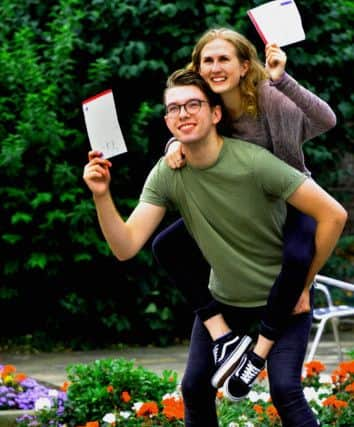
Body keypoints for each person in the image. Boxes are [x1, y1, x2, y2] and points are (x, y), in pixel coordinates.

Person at [83, 68, 347, 427]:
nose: (184, 113)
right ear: (166, 120)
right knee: (194, 388)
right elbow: (126, 246)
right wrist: (102, 196)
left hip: (282, 300)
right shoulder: (168, 173)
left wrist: (305, 281)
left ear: (216, 113)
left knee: (285, 390)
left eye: (193, 104)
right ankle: (225, 338)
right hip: (227, 301)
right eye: (174, 108)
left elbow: (333, 213)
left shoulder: (254, 163)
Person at [151, 27, 338, 395]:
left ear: (244, 66)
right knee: (166, 245)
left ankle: (259, 353)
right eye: (208, 60)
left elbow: (326, 120)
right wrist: (175, 142)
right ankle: (223, 337)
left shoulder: (269, 97)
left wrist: (283, 80)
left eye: (224, 59)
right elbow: (193, 126)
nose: (215, 67)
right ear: (198, 67)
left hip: (289, 195)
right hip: (241, 203)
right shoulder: (204, 102)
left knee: (297, 257)